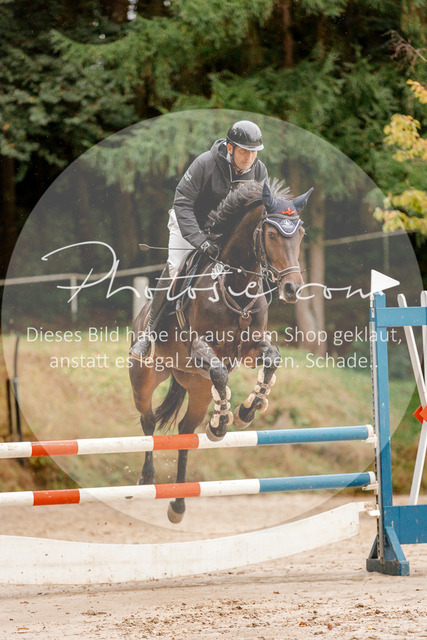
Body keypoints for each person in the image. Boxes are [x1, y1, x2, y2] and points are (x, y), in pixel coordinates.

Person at [130, 120, 268, 362]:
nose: (249, 157)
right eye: (244, 151)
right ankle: (148, 335)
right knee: (177, 268)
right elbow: (182, 203)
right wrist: (200, 241)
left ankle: (253, 336)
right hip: (188, 223)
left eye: (254, 152)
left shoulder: (259, 171)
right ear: (230, 148)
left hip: (224, 233)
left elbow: (259, 211)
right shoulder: (205, 163)